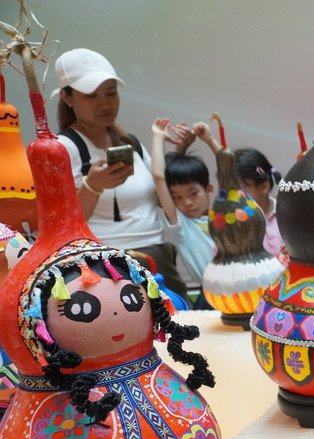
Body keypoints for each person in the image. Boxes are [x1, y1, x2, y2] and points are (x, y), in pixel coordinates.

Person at [52, 48, 188, 300]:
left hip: (159, 259)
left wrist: (180, 153)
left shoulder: (130, 143)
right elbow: (60, 226)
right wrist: (93, 186)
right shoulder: (63, 148)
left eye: (111, 92)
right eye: (91, 95)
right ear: (67, 97)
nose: (104, 103)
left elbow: (161, 197)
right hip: (107, 268)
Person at [149, 118, 216, 303]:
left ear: (209, 189)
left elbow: (229, 172)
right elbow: (159, 177)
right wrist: (158, 138)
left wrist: (209, 140)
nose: (187, 202)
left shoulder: (224, 214)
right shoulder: (181, 223)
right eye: (177, 197)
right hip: (210, 295)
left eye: (193, 193)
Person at [235, 148, 283, 259]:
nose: (236, 195)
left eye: (242, 188)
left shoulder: (286, 216)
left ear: (263, 186)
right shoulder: (233, 222)